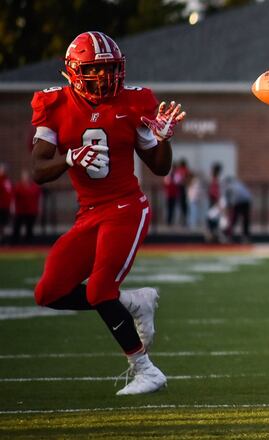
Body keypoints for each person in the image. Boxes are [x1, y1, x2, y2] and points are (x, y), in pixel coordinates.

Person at [29, 31, 186, 395]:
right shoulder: (53, 104)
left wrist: (163, 139)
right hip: (89, 213)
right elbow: (38, 170)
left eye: (110, 69)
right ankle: (134, 301)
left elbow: (159, 168)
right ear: (73, 72)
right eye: (95, 70)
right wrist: (69, 157)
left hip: (126, 207)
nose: (104, 78)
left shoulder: (134, 102)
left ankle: (146, 370)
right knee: (48, 292)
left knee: (100, 290)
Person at [11, 170, 41, 244]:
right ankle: (15, 243)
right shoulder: (18, 186)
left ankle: (28, 243)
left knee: (29, 227)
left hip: (31, 210)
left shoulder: (34, 187)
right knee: (17, 226)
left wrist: (39, 208)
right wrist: (13, 208)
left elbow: (39, 198)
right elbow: (13, 198)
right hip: (20, 210)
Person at [223, 176, 252, 243]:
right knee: (244, 219)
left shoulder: (230, 186)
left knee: (235, 219)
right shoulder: (238, 183)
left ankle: (229, 234)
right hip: (245, 201)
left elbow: (230, 199)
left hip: (241, 201)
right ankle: (244, 236)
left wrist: (229, 207)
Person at [0, 164, 12, 244]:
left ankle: (3, 239)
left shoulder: (7, 180)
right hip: (0, 206)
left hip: (6, 206)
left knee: (3, 223)